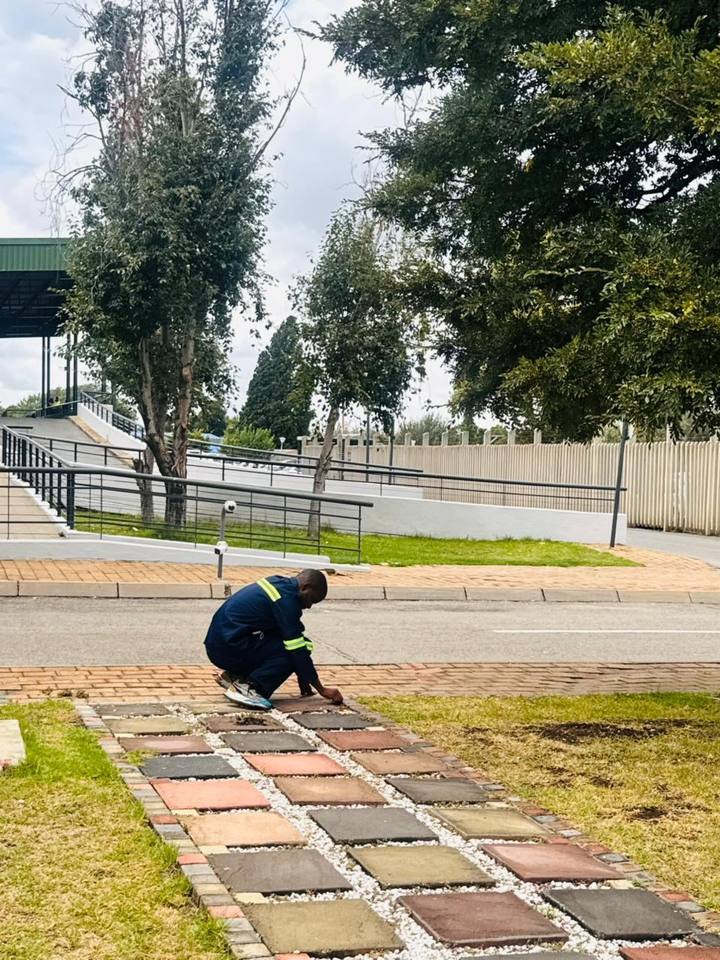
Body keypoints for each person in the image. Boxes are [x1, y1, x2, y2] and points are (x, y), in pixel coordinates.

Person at [204, 569, 343, 710]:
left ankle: (235, 676)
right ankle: (248, 688)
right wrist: (322, 689)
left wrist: (303, 675)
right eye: (312, 599)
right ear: (305, 587)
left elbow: (285, 634)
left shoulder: (278, 584)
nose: (309, 606)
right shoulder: (286, 601)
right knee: (295, 651)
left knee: (295, 644)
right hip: (229, 649)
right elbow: (298, 650)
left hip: (220, 644)